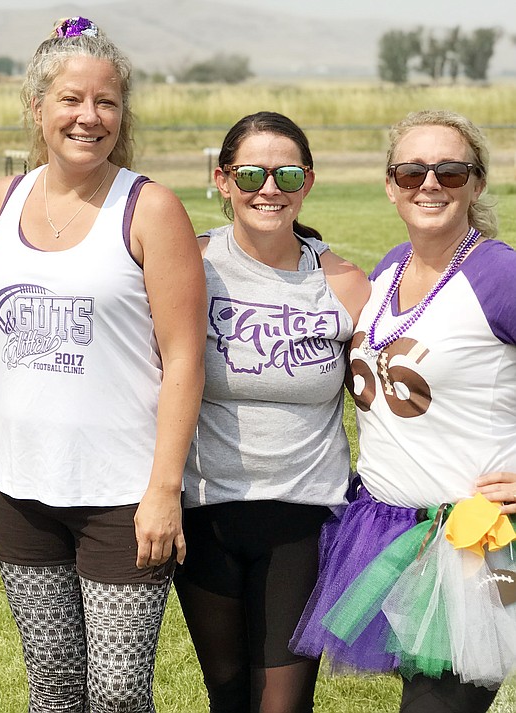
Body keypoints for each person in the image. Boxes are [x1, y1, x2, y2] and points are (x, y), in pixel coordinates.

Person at [0, 17, 206, 712]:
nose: (88, 116)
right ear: (37, 108)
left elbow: (185, 357)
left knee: (116, 691)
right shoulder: (0, 201)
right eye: (71, 99)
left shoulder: (150, 207)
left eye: (105, 101)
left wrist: (163, 489)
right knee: (53, 685)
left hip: (121, 497)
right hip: (18, 489)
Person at [291, 109, 516, 712]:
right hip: (386, 530)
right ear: (391, 185)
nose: (430, 183)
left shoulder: (500, 275)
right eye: (413, 170)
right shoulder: (390, 268)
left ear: (477, 183)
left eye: (449, 169)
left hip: (472, 542)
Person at [175, 111, 369, 713]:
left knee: (282, 704)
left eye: (286, 174)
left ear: (307, 182)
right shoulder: (190, 265)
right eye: (252, 173)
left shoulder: (344, 283)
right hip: (206, 512)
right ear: (223, 179)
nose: (270, 188)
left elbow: (392, 395)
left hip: (303, 518)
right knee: (228, 693)